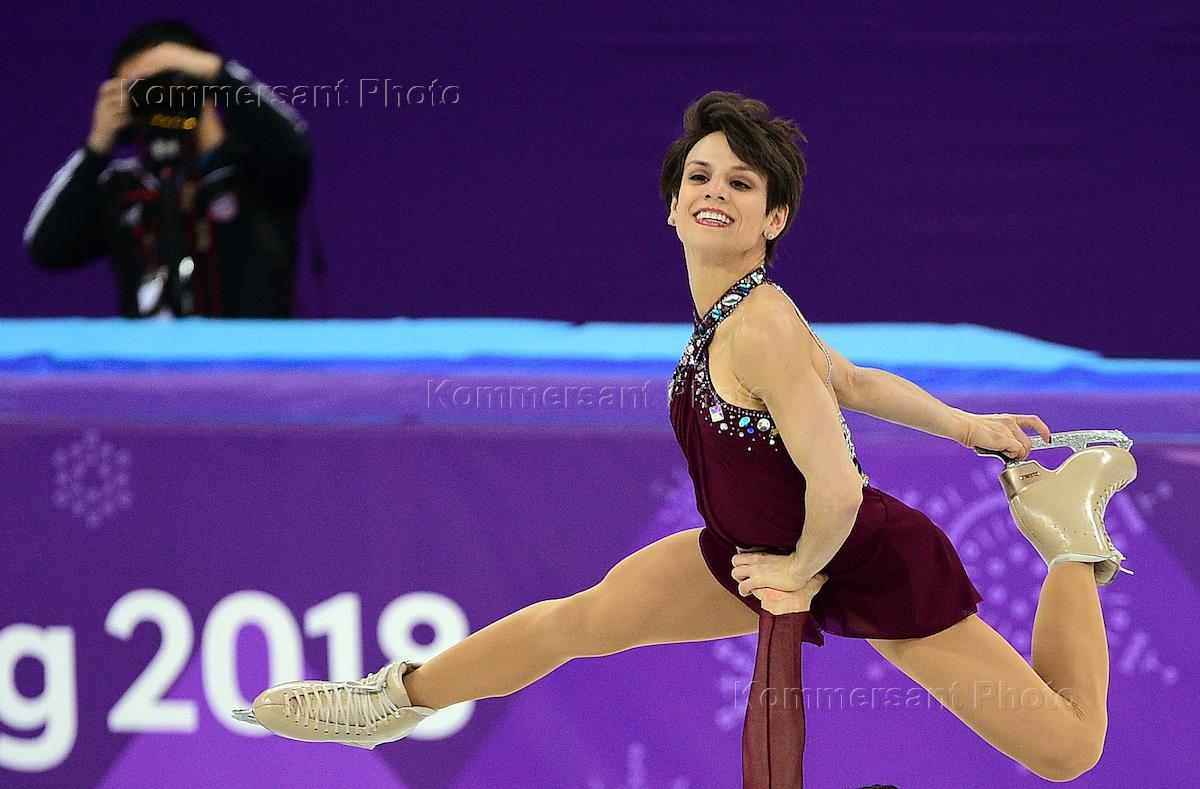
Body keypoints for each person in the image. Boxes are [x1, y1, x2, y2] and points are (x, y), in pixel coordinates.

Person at [234, 92, 1131, 785]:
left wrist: (796, 571)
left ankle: (1068, 533)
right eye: (700, 177)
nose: (714, 193)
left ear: (774, 220)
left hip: (858, 556)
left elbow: (838, 490)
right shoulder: (732, 315)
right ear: (671, 205)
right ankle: (388, 700)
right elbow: (851, 381)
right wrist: (969, 425)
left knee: (1067, 748)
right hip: (747, 549)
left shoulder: (762, 325)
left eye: (741, 183)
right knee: (580, 621)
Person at [23, 20, 312, 317]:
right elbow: (47, 248)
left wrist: (216, 70)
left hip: (251, 349)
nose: (158, 98)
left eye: (166, 82)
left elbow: (295, 149)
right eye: (141, 90)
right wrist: (96, 148)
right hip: (151, 350)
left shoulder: (257, 169)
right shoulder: (123, 186)